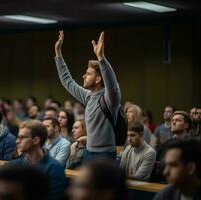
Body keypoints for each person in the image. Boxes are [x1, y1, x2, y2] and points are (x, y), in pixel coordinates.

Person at [55, 30, 121, 161]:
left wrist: (102, 59)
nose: (84, 76)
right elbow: (67, 81)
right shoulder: (88, 96)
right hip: (89, 153)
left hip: (105, 155)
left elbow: (112, 85)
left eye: (88, 74)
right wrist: (58, 53)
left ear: (98, 79)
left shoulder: (109, 99)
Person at [12, 120, 67, 200]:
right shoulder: (14, 165)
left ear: (36, 140)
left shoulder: (54, 168)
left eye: (22, 137)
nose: (17, 141)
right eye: (18, 137)